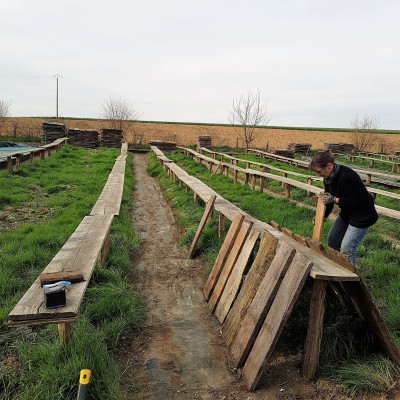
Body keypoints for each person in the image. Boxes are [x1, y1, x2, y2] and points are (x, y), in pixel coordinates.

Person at [309, 150, 378, 265]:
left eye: (319, 171)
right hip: (348, 213)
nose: (318, 174)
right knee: (333, 240)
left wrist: (335, 199)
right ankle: (337, 271)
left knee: (347, 249)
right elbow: (328, 198)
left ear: (329, 166)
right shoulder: (328, 178)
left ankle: (352, 280)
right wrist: (321, 217)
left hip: (363, 215)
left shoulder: (347, 177)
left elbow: (357, 201)